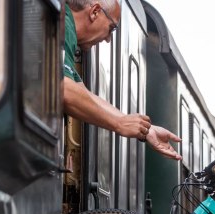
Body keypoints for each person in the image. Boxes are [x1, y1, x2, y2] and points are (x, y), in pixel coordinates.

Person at [63, 0, 181, 161]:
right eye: (111, 28)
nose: (108, 39)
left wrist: (146, 130)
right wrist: (119, 123)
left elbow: (83, 94)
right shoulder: (63, 24)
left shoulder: (67, 31)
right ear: (95, 12)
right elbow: (63, 89)